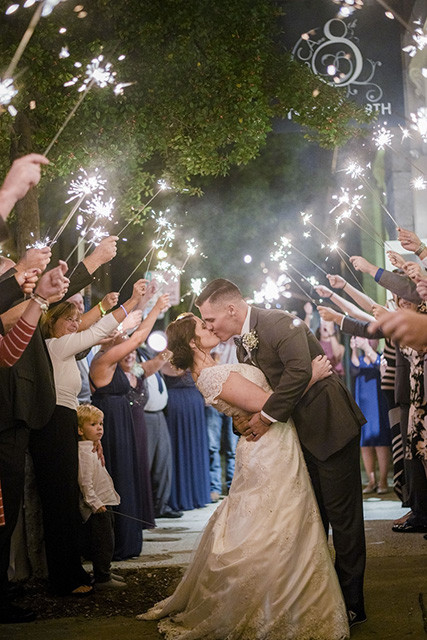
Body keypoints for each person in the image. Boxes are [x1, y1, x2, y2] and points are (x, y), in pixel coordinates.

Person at [137, 312, 349, 640]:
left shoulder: (217, 364)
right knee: (275, 524)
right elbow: (267, 402)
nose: (211, 327)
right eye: (203, 327)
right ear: (193, 342)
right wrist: (312, 375)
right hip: (268, 447)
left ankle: (291, 595)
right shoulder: (209, 374)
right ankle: (276, 602)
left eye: (210, 321)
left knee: (283, 523)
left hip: (271, 440)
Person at [195, 279, 367, 627]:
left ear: (232, 308)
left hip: (329, 428)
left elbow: (300, 371)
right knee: (311, 521)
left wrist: (266, 417)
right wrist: (245, 421)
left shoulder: (276, 322)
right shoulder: (244, 344)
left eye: (210, 319)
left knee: (343, 520)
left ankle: (352, 603)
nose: (210, 326)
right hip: (294, 439)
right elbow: (255, 391)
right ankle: (317, 599)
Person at [90, 293, 170, 558]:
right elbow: (136, 338)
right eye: (119, 335)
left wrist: (146, 304)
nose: (126, 341)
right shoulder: (103, 361)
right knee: (118, 477)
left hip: (123, 420)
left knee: (128, 477)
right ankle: (116, 545)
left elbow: (141, 360)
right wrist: (155, 308)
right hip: (111, 423)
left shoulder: (117, 363)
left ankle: (128, 540)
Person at [76, 404, 126, 590]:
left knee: (109, 540)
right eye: (93, 424)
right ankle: (102, 578)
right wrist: (95, 503)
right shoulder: (85, 454)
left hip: (105, 501)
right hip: (98, 507)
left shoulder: (92, 447)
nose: (99, 428)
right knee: (103, 543)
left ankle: (105, 571)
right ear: (80, 429)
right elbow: (85, 483)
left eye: (101, 424)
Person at [137, 346, 182, 519]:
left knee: (163, 462)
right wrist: (163, 355)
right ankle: (146, 508)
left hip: (159, 414)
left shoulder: (146, 350)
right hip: (144, 415)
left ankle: (161, 505)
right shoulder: (132, 356)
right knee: (146, 461)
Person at [162, 359, 211, 512]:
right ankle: (177, 496)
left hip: (194, 405)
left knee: (195, 450)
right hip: (174, 406)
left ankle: (197, 494)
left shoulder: (195, 356)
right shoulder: (162, 355)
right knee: (176, 449)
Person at [350, 336, 391, 494]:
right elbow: (353, 369)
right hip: (363, 405)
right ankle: (371, 480)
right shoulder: (359, 359)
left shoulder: (381, 357)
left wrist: (367, 348)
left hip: (378, 404)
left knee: (381, 442)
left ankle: (383, 481)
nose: (367, 341)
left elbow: (380, 368)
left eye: (370, 339)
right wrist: (354, 348)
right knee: (365, 444)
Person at [119, 349, 155, 529]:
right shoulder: (114, 375)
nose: (129, 355)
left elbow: (154, 366)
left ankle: (144, 514)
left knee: (142, 464)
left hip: (140, 424)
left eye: (132, 352)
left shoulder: (138, 372)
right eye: (126, 352)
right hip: (124, 423)